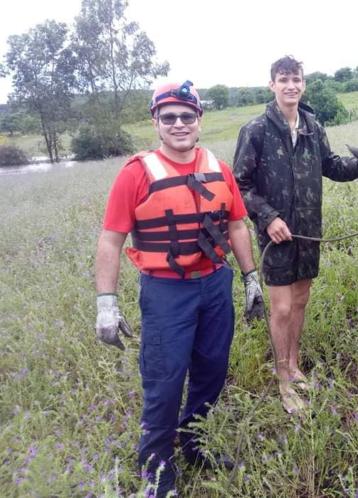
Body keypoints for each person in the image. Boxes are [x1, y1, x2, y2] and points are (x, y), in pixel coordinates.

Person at [94, 80, 266, 495]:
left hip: (214, 286)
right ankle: (156, 467)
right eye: (168, 117)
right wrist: (105, 304)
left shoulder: (219, 168)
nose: (178, 124)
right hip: (166, 292)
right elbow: (110, 240)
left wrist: (250, 279)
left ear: (199, 121)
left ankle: (194, 445)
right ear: (156, 122)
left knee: (211, 372)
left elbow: (238, 225)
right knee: (165, 380)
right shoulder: (136, 173)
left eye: (187, 116)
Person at [233, 56, 358, 413]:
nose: (290, 85)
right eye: (283, 79)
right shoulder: (256, 130)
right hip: (275, 233)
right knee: (282, 307)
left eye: (296, 79)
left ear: (303, 84)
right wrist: (269, 217)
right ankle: (282, 381)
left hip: (308, 231)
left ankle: (294, 364)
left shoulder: (311, 127)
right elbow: (239, 185)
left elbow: (333, 166)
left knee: (301, 301)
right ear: (272, 84)